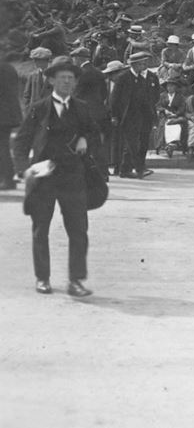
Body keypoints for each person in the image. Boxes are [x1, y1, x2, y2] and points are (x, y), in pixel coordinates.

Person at [13, 56, 100, 297]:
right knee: (41, 229)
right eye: (62, 78)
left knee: (79, 230)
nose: (67, 82)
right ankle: (43, 278)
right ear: (51, 80)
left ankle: (76, 281)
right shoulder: (38, 109)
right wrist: (24, 169)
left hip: (73, 177)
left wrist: (86, 139)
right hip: (44, 177)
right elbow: (20, 143)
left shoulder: (82, 108)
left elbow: (95, 133)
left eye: (71, 79)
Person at [109, 53, 157, 179]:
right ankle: (139, 169)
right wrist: (114, 116)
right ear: (135, 64)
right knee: (131, 143)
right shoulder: (123, 77)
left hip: (142, 115)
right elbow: (114, 99)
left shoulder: (143, 79)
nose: (144, 66)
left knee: (137, 143)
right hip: (127, 116)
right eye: (141, 63)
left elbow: (151, 97)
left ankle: (125, 170)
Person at [0, 54, 23, 190]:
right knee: (3, 146)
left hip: (2, 114)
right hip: (9, 113)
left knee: (2, 147)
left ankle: (7, 180)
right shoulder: (8, 67)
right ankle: (6, 178)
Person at [22, 47, 53, 113]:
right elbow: (27, 95)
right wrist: (27, 110)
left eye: (36, 60)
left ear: (44, 60)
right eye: (34, 60)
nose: (34, 62)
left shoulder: (54, 75)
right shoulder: (32, 75)